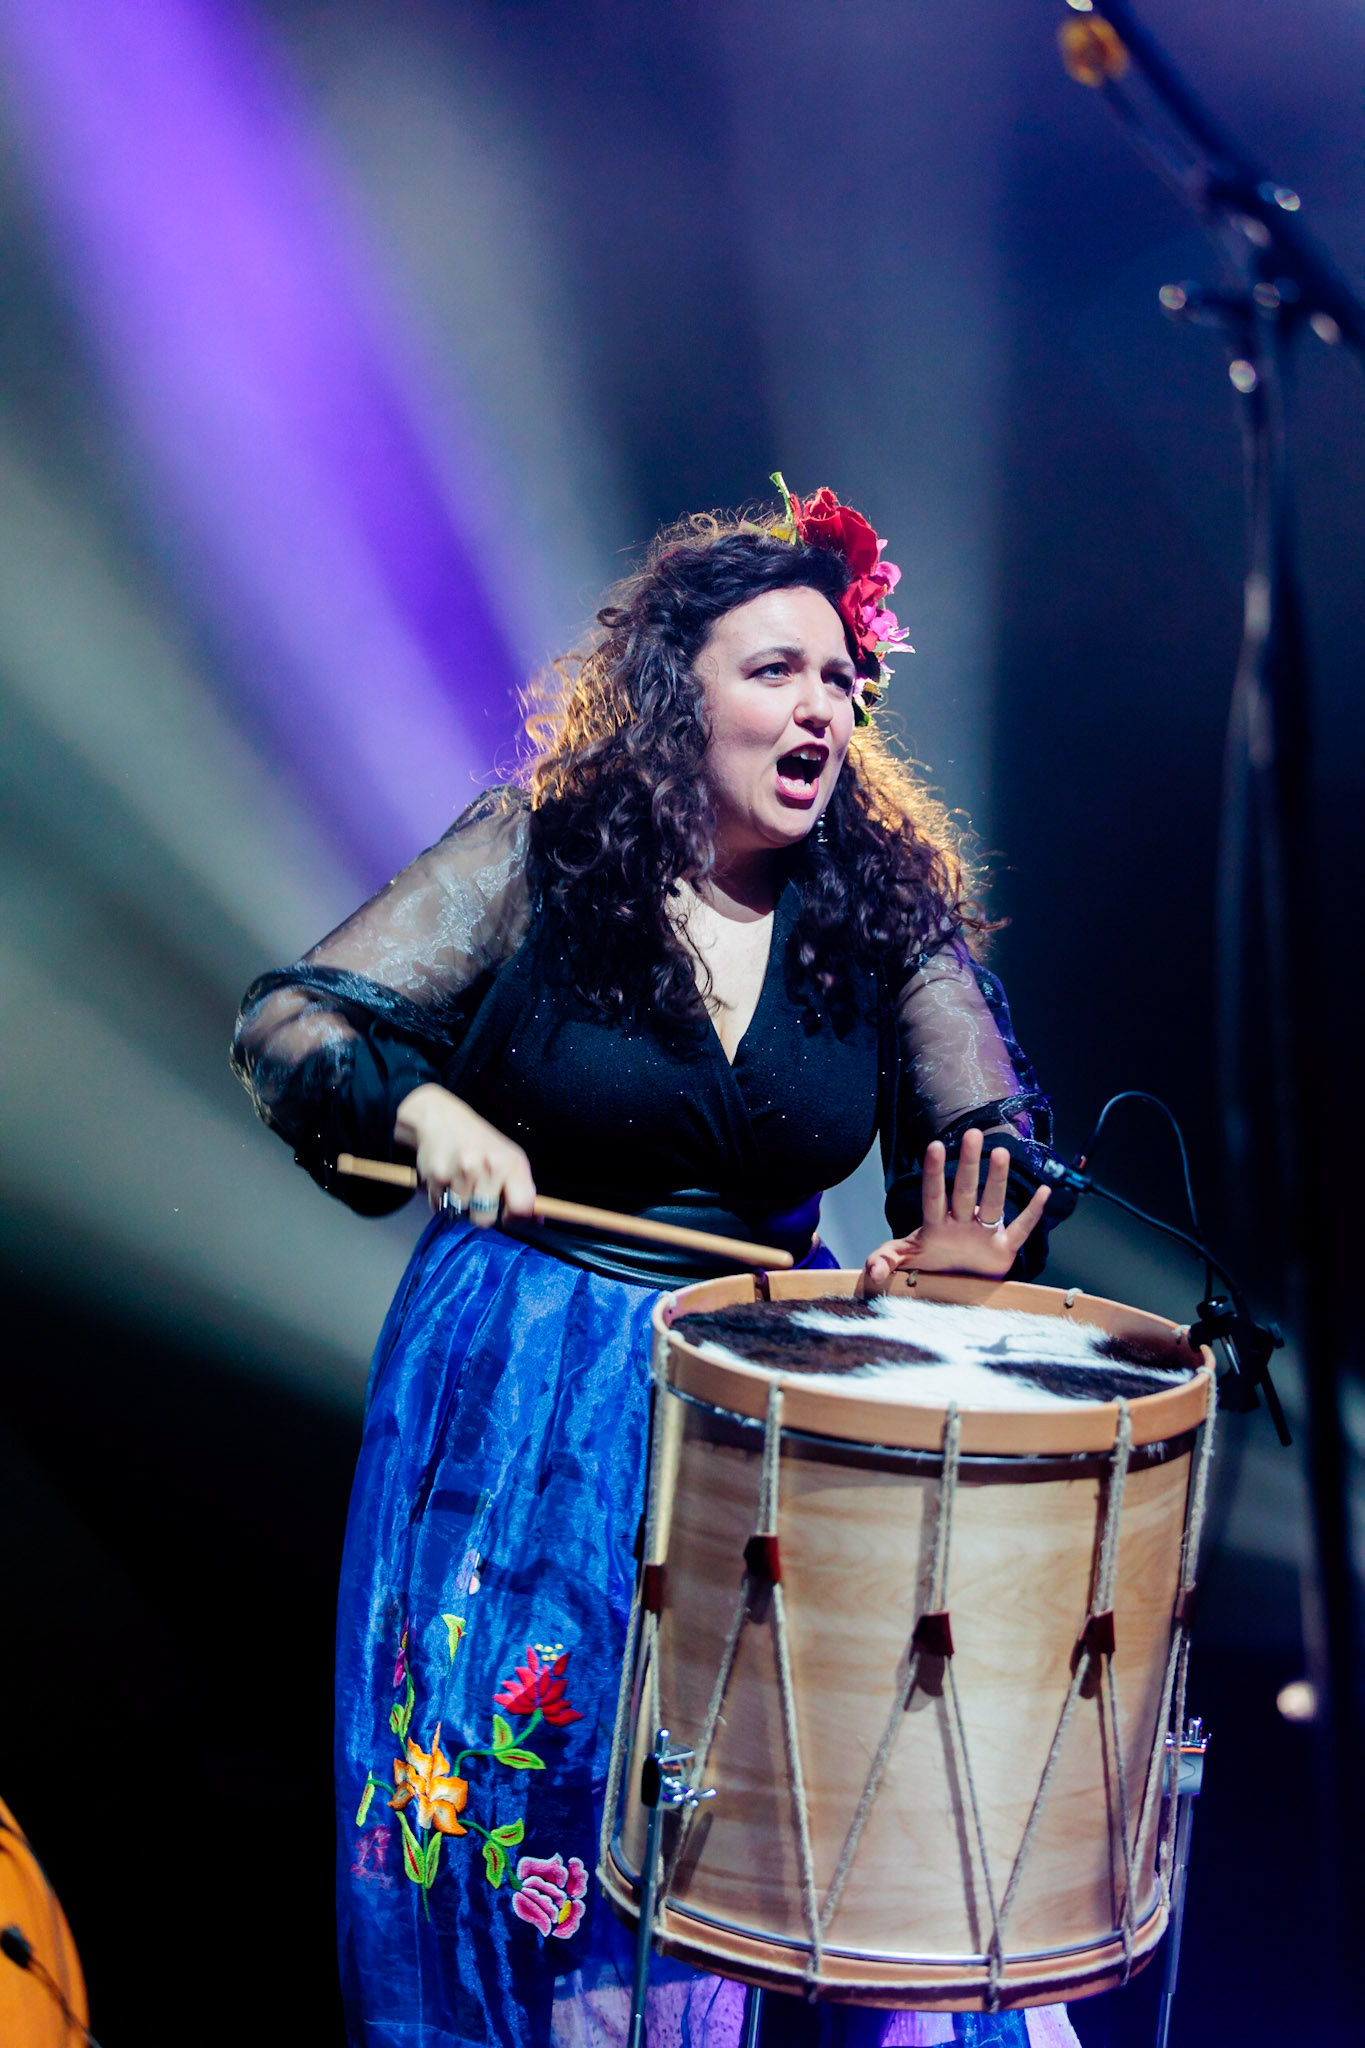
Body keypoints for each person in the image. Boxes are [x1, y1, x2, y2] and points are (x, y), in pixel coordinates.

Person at [232, 484, 1071, 2048]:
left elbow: (990, 1133)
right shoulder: (546, 854)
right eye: (775, 672)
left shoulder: (881, 906)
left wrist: (970, 1244)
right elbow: (295, 1023)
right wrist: (420, 1104)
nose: (819, 705)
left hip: (762, 1396)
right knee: (522, 1809)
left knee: (745, 1845)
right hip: (532, 1386)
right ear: (674, 696)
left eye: (838, 679)